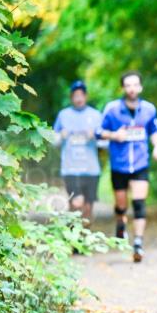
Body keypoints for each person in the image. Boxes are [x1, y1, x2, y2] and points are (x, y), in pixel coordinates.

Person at [98, 71, 157, 263]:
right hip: (119, 164)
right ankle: (120, 223)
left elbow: (155, 130)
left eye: (135, 85)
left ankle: (138, 243)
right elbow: (99, 131)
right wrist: (114, 135)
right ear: (123, 88)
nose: (132, 88)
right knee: (121, 204)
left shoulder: (149, 109)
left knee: (139, 203)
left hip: (141, 163)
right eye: (128, 85)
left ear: (140, 87)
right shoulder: (112, 109)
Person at [53, 80, 103, 226]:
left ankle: (84, 240)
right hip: (70, 168)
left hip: (91, 169)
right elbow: (52, 141)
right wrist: (61, 136)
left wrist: (95, 136)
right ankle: (73, 240)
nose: (79, 98)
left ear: (86, 96)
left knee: (88, 207)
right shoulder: (63, 115)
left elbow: (106, 142)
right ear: (71, 97)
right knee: (75, 204)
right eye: (75, 95)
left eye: (81, 95)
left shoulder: (96, 115)